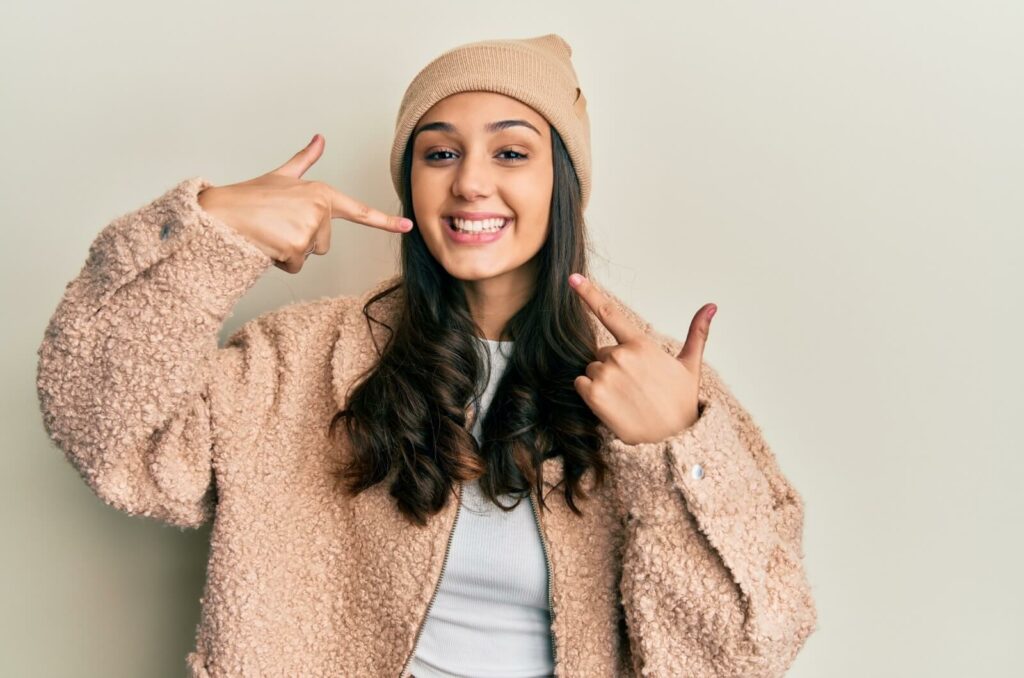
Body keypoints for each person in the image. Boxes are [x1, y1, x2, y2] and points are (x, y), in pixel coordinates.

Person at [35, 33, 817, 677]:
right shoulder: (298, 358)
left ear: (564, 186)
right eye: (439, 154)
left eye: (512, 154)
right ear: (410, 181)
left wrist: (676, 448)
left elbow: (742, 654)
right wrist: (207, 231)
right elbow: (116, 440)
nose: (471, 183)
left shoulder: (659, 384)